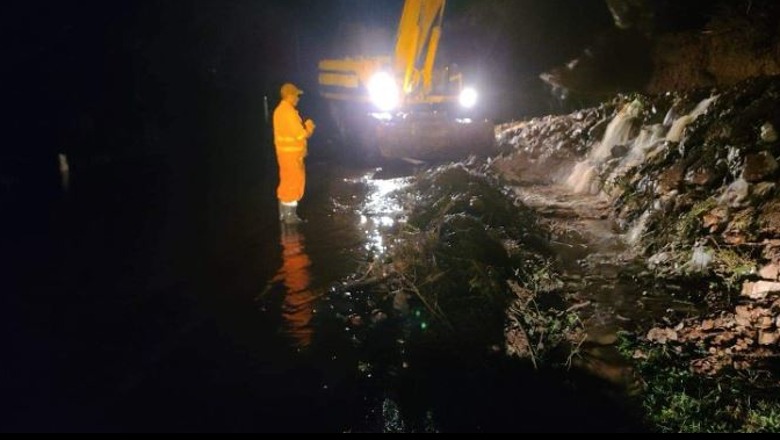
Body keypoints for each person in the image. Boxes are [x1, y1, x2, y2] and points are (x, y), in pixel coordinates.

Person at [273, 82, 316, 224]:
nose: (298, 98)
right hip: (292, 156)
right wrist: (309, 127)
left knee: (286, 182)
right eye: (296, 95)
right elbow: (300, 135)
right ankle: (291, 218)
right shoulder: (288, 113)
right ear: (289, 96)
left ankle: (283, 215)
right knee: (294, 183)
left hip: (284, 155)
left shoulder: (279, 111)